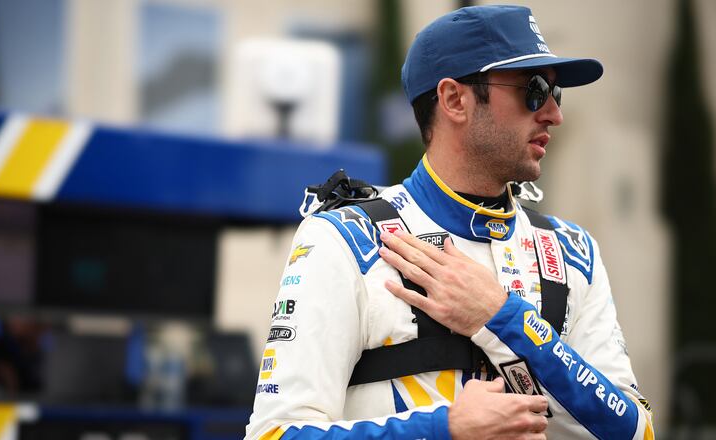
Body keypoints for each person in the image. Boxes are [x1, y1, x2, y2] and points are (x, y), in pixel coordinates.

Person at [246, 5, 654, 439]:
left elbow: (637, 431)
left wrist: (504, 317)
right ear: (455, 100)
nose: (554, 114)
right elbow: (274, 434)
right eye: (534, 90)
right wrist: (446, 429)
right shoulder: (344, 240)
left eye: (557, 94)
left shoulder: (573, 251)